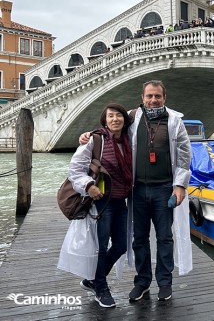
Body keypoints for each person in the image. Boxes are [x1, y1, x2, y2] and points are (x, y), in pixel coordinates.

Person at [79, 80, 193, 303]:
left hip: (163, 189)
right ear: (142, 97)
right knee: (139, 238)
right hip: (137, 189)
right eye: (149, 96)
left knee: (165, 237)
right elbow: (111, 129)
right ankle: (142, 282)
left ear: (164, 98)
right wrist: (88, 134)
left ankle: (164, 282)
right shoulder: (132, 117)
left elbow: (184, 153)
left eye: (157, 96)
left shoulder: (174, 121)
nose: (153, 100)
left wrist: (180, 185)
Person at [69, 103, 133, 308]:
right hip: (101, 201)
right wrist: (88, 185)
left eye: (119, 116)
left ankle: (94, 280)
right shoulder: (96, 140)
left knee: (122, 245)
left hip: (121, 200)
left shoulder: (129, 140)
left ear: (125, 119)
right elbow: (75, 168)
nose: (115, 119)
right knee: (101, 247)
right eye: (111, 116)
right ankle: (101, 288)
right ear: (104, 121)